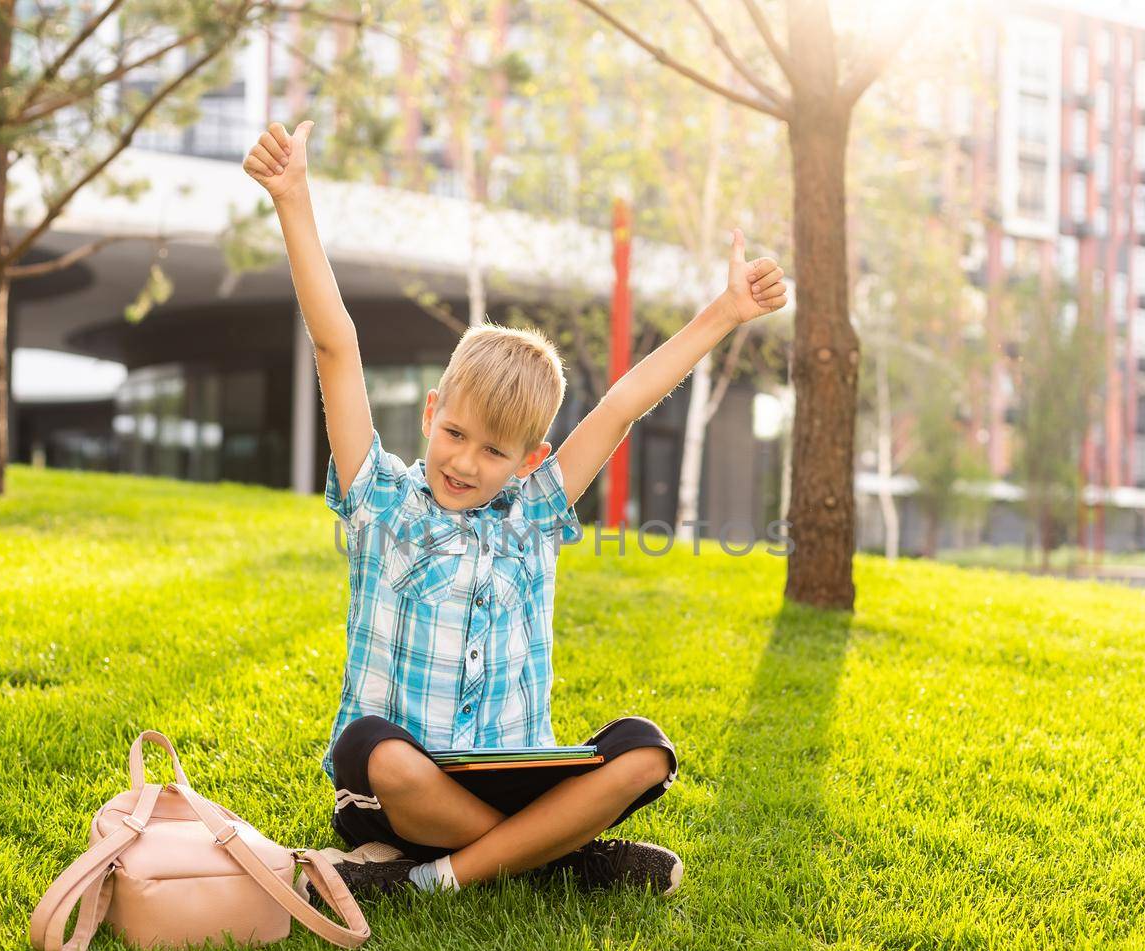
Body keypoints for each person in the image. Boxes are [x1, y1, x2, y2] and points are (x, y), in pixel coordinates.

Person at [242, 119, 788, 903]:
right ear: (431, 412)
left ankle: (447, 873)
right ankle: (560, 856)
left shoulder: (535, 516)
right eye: (456, 433)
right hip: (394, 791)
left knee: (646, 752)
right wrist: (293, 197)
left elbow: (626, 401)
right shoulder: (382, 500)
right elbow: (338, 347)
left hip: (509, 781)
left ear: (531, 459)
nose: (465, 461)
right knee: (379, 750)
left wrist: (725, 311)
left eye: (494, 451)